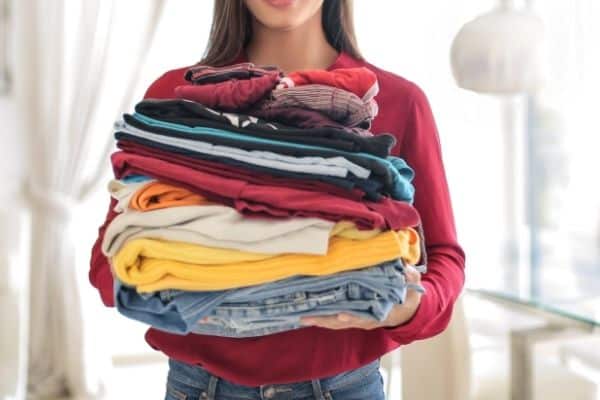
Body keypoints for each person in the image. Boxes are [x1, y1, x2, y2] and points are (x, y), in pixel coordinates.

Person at [89, 0, 466, 399]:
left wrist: (405, 307)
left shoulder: (397, 100)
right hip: (199, 388)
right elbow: (109, 263)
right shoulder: (177, 99)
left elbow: (443, 256)